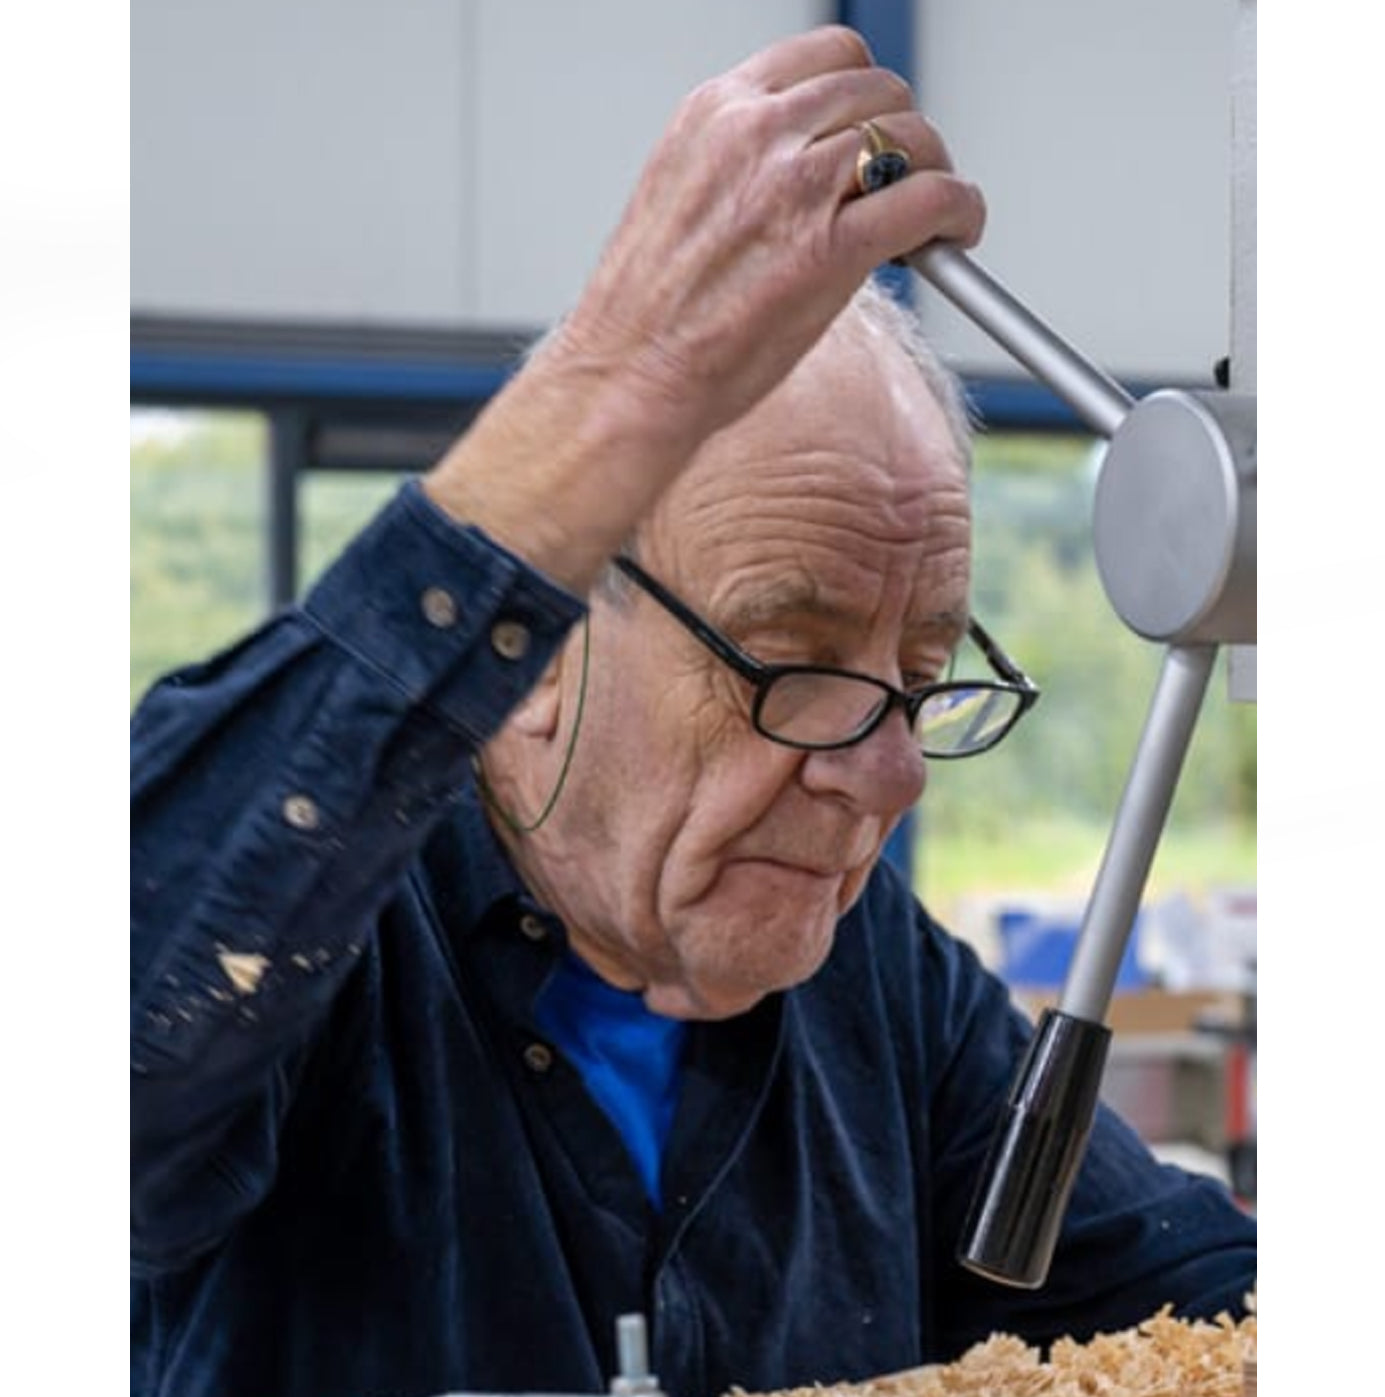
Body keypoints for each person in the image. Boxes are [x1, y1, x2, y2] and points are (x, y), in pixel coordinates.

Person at [131, 25, 1254, 1397]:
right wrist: (612, 386)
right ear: (537, 657)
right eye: (793, 664)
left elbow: (1207, 1301)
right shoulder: (326, 964)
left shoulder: (876, 989)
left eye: (915, 679)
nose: (891, 775)